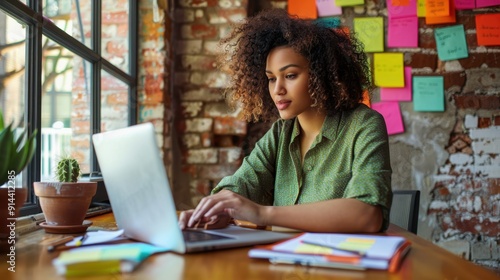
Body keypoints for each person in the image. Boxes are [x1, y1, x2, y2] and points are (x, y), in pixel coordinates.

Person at [179, 8, 392, 233]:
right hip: (279, 260)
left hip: (338, 264)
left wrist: (262, 213)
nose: (278, 89)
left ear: (322, 74)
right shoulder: (281, 133)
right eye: (271, 79)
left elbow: (369, 215)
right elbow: (243, 182)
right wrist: (216, 210)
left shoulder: (364, 125)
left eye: (290, 75)